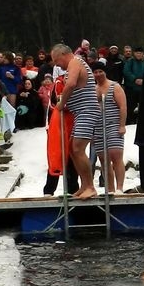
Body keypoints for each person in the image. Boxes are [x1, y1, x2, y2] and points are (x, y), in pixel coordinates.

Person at [50, 43, 100, 199]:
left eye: (57, 61)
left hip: (87, 111)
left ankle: (90, 186)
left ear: (64, 55)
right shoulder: (72, 64)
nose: (58, 65)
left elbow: (71, 84)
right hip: (80, 112)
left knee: (77, 148)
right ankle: (85, 185)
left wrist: (61, 103)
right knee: (72, 149)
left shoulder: (75, 62)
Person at [89, 62, 127, 192]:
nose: (98, 74)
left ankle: (120, 188)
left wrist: (122, 125)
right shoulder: (93, 89)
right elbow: (91, 111)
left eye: (100, 71)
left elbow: (123, 106)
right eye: (95, 72)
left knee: (116, 155)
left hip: (113, 124)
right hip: (98, 127)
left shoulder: (114, 86)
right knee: (103, 159)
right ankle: (110, 189)